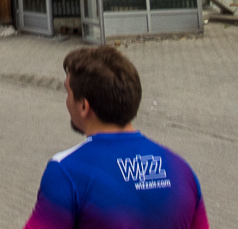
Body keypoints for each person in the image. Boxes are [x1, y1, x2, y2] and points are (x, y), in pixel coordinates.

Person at [24, 45, 208, 229]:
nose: (66, 101)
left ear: (84, 106)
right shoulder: (182, 170)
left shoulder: (66, 172)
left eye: (68, 93)